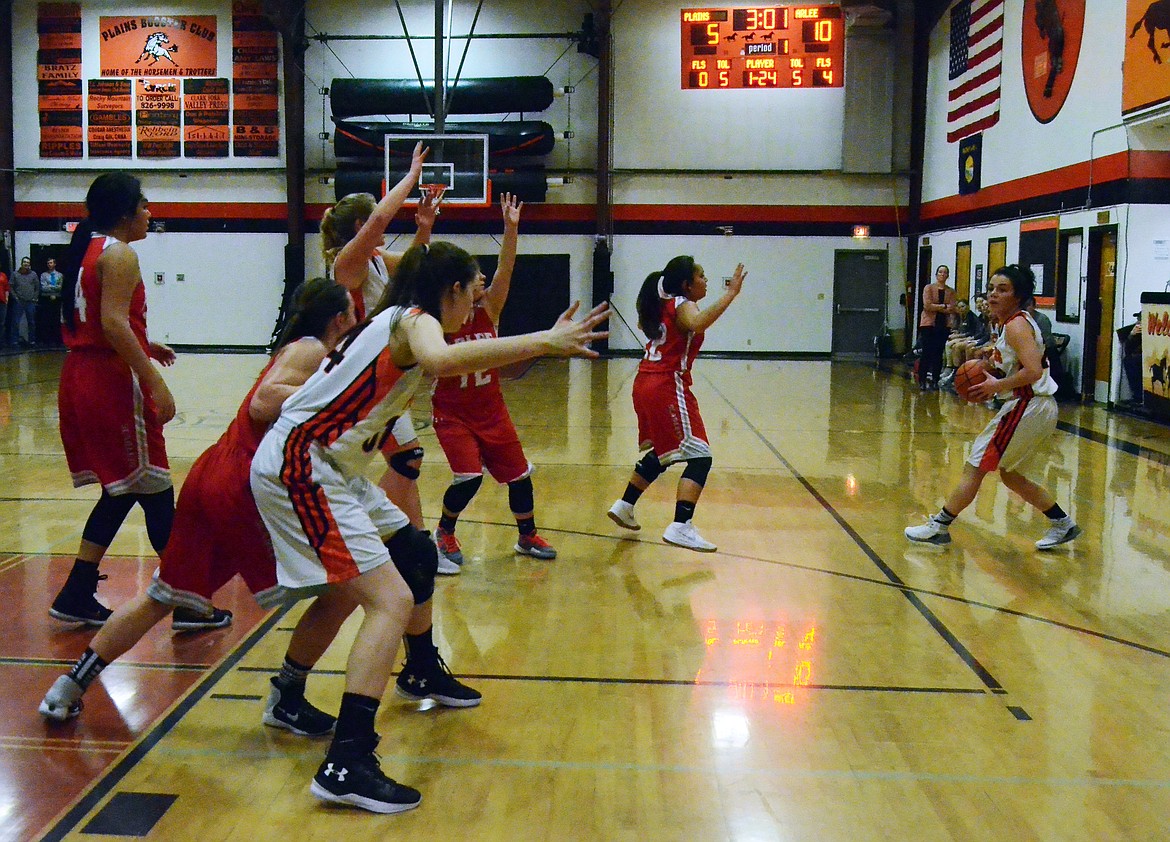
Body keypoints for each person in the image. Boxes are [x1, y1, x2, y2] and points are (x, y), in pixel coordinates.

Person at [251, 147, 608, 814]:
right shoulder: (414, 322)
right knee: (386, 599)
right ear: (448, 291)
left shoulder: (396, 316)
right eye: (472, 292)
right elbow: (444, 362)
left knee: (414, 553)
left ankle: (412, 668)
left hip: (326, 463)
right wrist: (540, 341)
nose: (476, 303)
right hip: (301, 464)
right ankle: (347, 762)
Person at [39, 278, 354, 731]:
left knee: (160, 597)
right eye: (354, 312)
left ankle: (68, 686)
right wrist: (336, 401)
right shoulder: (312, 350)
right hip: (242, 486)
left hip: (213, 474)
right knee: (342, 589)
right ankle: (287, 696)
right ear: (340, 319)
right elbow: (266, 403)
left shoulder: (303, 347)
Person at [50, 173, 194, 626]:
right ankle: (188, 601)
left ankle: (77, 591)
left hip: (80, 374)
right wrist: (153, 379)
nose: (151, 214)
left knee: (127, 488)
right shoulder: (120, 253)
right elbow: (111, 323)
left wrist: (148, 346)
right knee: (154, 486)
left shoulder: (88, 249)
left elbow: (97, 320)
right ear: (126, 212)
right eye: (145, 206)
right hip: (111, 382)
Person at [905, 264, 1081, 550]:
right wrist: (987, 368)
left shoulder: (1016, 325)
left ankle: (939, 526)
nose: (993, 295)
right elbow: (1016, 365)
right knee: (1012, 476)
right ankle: (1062, 523)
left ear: (1019, 295)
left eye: (1002, 289)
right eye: (990, 289)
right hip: (1035, 406)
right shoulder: (1010, 323)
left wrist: (993, 387)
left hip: (1028, 404)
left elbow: (1034, 371)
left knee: (975, 466)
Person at [430, 194, 558, 565]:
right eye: (475, 277)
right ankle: (445, 531)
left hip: (493, 411)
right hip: (453, 414)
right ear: (458, 287)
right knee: (469, 477)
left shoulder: (490, 310)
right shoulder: (439, 321)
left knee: (520, 476)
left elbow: (507, 268)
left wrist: (511, 228)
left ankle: (527, 536)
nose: (483, 280)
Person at [321, 175, 443, 565]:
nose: (382, 220)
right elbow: (378, 224)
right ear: (362, 226)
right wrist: (410, 177)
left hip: (383, 372)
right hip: (359, 375)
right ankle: (383, 537)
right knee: (405, 459)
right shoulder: (347, 262)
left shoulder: (373, 258)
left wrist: (424, 228)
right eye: (374, 217)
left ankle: (415, 541)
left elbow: (412, 270)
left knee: (405, 461)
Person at [607, 256, 746, 552]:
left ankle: (625, 505)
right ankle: (681, 526)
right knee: (700, 457)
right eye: (701, 276)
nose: (706, 280)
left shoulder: (661, 297)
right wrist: (730, 294)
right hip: (666, 384)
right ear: (686, 284)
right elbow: (695, 322)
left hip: (645, 381)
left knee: (664, 450)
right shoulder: (682, 303)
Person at [917, 265, 956, 390]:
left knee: (938, 353)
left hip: (943, 324)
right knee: (926, 352)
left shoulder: (951, 291)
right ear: (936, 274)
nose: (942, 274)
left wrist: (939, 307)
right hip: (928, 324)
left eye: (945, 272)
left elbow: (952, 308)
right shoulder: (928, 288)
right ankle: (922, 380)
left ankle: (935, 380)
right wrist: (943, 307)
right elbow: (927, 306)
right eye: (940, 272)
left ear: (947, 275)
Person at [9, 257, 40, 346]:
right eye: (24, 262)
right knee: (15, 322)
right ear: (21, 263)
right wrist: (15, 298)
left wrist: (34, 298)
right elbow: (10, 287)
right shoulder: (15, 274)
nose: (26, 264)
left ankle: (32, 341)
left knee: (31, 322)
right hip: (19, 302)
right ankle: (14, 341)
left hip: (30, 302)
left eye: (28, 262)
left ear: (29, 264)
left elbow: (37, 288)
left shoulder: (33, 274)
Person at [39, 257, 64, 346]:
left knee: (56, 319)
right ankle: (47, 340)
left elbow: (60, 287)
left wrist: (50, 286)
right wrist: (54, 288)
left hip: (57, 299)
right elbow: (43, 287)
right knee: (47, 319)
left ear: (55, 264)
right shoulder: (43, 275)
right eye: (48, 263)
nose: (50, 265)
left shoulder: (60, 275)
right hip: (46, 299)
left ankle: (57, 340)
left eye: (51, 263)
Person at [0, 265, 8, 348]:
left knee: (1, 323)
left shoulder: (3, 275)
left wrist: (6, 299)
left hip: (2, 302)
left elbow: (6, 288)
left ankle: (1, 342)